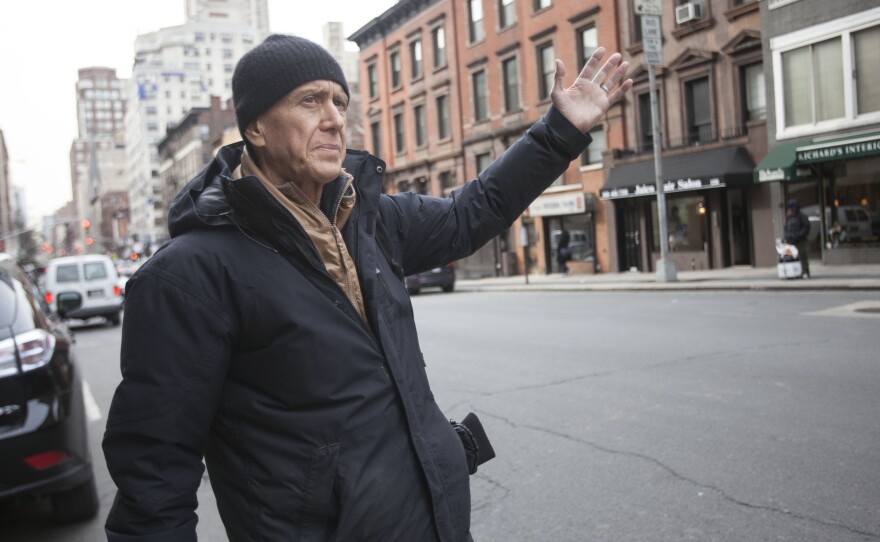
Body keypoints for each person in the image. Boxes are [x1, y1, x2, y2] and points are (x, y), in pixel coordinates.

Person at [102, 34, 632, 542]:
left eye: (339, 100)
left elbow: (476, 212)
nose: (335, 119)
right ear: (257, 129)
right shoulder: (188, 277)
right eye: (310, 101)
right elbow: (154, 476)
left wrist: (560, 130)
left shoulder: (373, 220)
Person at [783, 198, 811, 278]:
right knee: (792, 257)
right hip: (791, 240)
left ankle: (805, 271)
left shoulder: (802, 216)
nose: (791, 211)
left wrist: (799, 235)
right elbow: (786, 228)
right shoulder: (789, 218)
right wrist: (787, 236)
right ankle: (795, 272)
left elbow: (806, 227)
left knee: (802, 256)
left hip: (800, 240)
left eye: (792, 209)